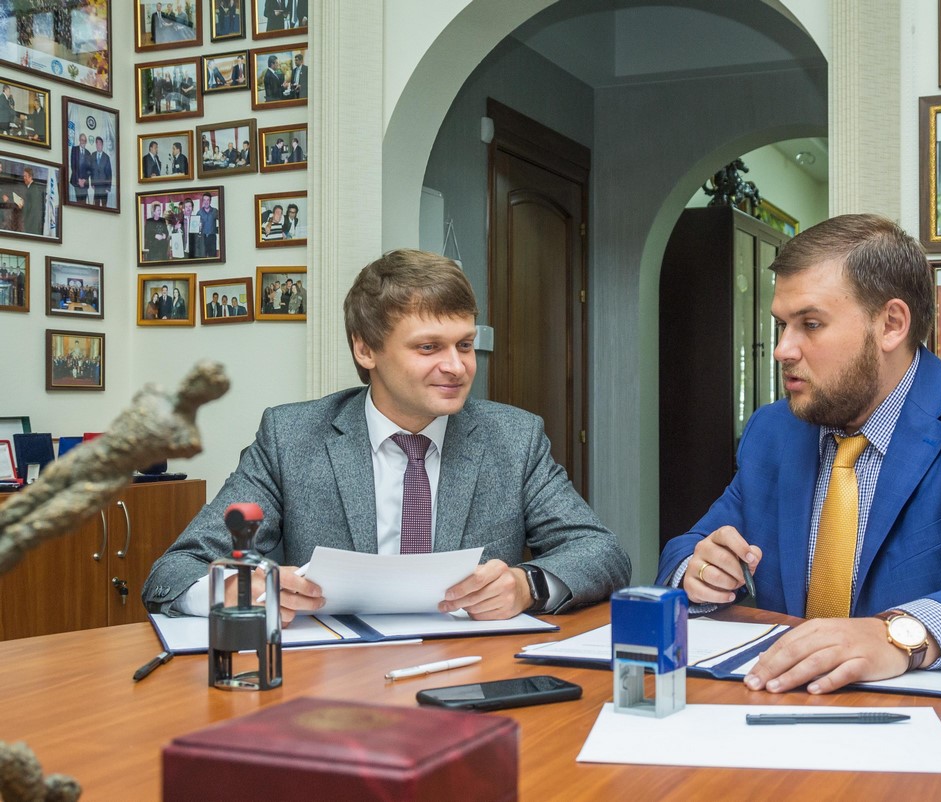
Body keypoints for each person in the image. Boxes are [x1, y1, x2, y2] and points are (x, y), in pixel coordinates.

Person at [656, 214, 941, 791]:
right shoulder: (775, 431)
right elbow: (690, 545)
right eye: (781, 325)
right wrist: (697, 569)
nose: (783, 349)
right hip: (803, 737)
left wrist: (900, 634)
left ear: (891, 323)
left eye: (810, 324)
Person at [142, 248, 631, 625]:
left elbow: (601, 552)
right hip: (333, 680)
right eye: (428, 347)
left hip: (474, 673)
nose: (457, 366)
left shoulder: (514, 438)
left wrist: (527, 587)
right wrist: (233, 590)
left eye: (465, 345)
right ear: (366, 349)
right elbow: (174, 571)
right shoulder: (291, 438)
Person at [9, 167, 45, 235]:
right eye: (23, 176)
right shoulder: (30, 188)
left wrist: (28, 224)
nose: (24, 178)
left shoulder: (33, 189)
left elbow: (34, 208)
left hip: (31, 226)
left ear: (30, 177)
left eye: (25, 176)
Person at [68, 132, 91, 204]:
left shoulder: (88, 153)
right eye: (82, 140)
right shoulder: (74, 150)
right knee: (78, 203)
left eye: (84, 140)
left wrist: (84, 180)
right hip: (76, 181)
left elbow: (89, 170)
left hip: (84, 183)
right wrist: (79, 180)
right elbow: (73, 166)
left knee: (84, 203)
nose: (83, 142)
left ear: (86, 142)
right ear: (79, 140)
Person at [90, 136, 112, 207]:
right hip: (96, 186)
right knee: (96, 206)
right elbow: (91, 170)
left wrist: (108, 187)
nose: (98, 145)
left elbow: (109, 173)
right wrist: (92, 183)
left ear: (102, 145)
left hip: (104, 187)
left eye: (99, 144)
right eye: (97, 144)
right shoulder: (92, 155)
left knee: (104, 206)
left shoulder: (106, 157)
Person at [197, 192, 218, 257]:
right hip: (203, 238)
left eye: (208, 200)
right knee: (203, 258)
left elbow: (222, 221)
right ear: (202, 201)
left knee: (213, 257)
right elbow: (196, 227)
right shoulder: (199, 212)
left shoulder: (215, 211)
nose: (206, 202)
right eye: (204, 200)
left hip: (212, 238)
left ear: (210, 201)